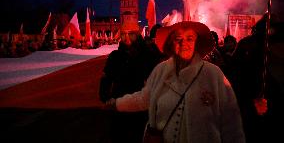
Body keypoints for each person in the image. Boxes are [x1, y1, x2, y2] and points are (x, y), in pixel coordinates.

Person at [105, 21, 245, 143]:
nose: (183, 43)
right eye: (178, 39)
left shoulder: (214, 74)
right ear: (172, 44)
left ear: (197, 43)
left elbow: (231, 120)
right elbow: (144, 98)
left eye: (189, 38)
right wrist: (117, 104)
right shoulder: (160, 70)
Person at [99, 21, 163, 143]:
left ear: (138, 34)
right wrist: (106, 97)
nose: (126, 37)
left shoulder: (148, 54)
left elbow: (155, 81)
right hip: (119, 106)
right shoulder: (115, 56)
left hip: (140, 108)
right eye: (123, 34)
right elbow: (106, 78)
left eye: (131, 33)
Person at [230, 13, 284, 142]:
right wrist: (250, 104)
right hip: (253, 109)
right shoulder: (248, 46)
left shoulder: (276, 46)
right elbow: (234, 79)